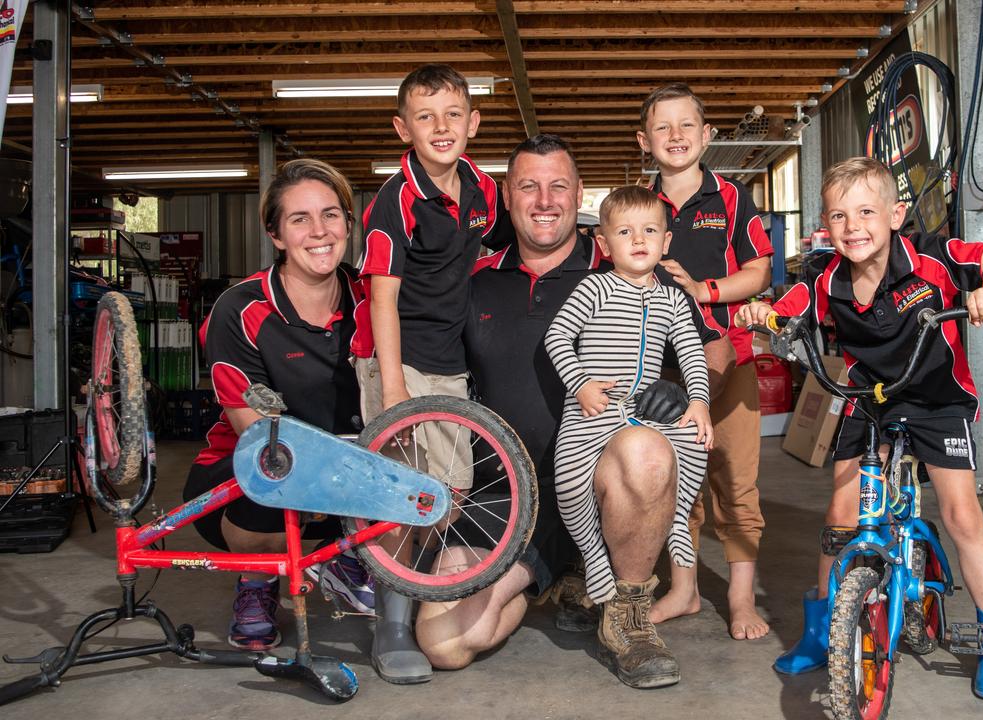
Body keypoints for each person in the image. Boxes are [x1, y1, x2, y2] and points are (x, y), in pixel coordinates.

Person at [416, 135, 735, 690]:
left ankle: (626, 617)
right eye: (528, 187)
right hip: (506, 497)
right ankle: (551, 579)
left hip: (602, 480)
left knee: (643, 450)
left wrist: (683, 391)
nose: (545, 200)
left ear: (580, 194)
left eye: (558, 186)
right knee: (445, 644)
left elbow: (716, 351)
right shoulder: (476, 280)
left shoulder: (634, 263)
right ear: (507, 197)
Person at [737, 156, 983, 700]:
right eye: (839, 216)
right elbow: (790, 306)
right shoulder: (824, 277)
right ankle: (822, 633)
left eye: (867, 212)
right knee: (841, 517)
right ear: (826, 225)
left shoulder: (933, 259)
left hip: (937, 399)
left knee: (962, 514)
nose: (854, 227)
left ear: (895, 214)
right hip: (868, 399)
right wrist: (762, 313)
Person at [349, 63, 510, 684]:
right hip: (396, 358)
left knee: (450, 489)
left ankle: (412, 590)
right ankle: (390, 625)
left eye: (452, 115)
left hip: (449, 360)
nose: (440, 128)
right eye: (425, 117)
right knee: (399, 493)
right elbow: (382, 299)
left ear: (473, 122)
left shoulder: (481, 188)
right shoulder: (396, 201)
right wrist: (392, 388)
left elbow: (496, 246)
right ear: (403, 128)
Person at [184, 158, 371, 651]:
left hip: (348, 467)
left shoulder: (371, 298)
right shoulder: (240, 309)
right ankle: (257, 582)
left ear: (349, 225)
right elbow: (253, 428)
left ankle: (342, 558)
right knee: (268, 464)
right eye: (300, 219)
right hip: (245, 475)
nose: (319, 232)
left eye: (332, 215)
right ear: (276, 234)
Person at [637, 83, 774, 641]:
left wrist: (704, 290)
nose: (675, 137)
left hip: (730, 362)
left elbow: (760, 271)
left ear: (707, 135)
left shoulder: (734, 198)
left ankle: (740, 599)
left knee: (736, 485)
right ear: (644, 141)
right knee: (675, 485)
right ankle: (685, 589)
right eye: (662, 128)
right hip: (664, 372)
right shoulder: (638, 205)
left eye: (686, 125)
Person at [545, 185, 714, 606]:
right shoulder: (594, 289)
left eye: (649, 231)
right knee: (568, 482)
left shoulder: (674, 301)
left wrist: (699, 403)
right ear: (603, 243)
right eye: (624, 232)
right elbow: (558, 336)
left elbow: (692, 353)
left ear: (666, 241)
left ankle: (677, 521)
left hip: (646, 413)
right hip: (593, 411)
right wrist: (580, 383)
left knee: (694, 441)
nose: (639, 241)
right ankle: (594, 558)